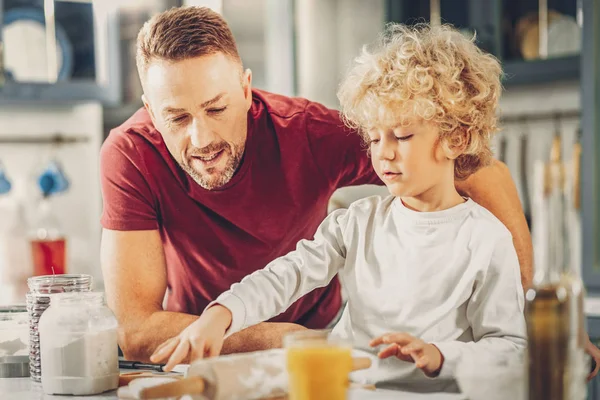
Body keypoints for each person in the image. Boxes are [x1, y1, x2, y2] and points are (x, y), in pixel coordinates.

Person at [99, 6, 535, 365]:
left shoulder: (482, 237)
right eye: (177, 117)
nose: (201, 138)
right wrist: (225, 316)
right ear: (151, 113)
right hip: (286, 366)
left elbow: (508, 345)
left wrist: (512, 329)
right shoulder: (358, 222)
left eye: (216, 108)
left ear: (247, 89)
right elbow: (281, 276)